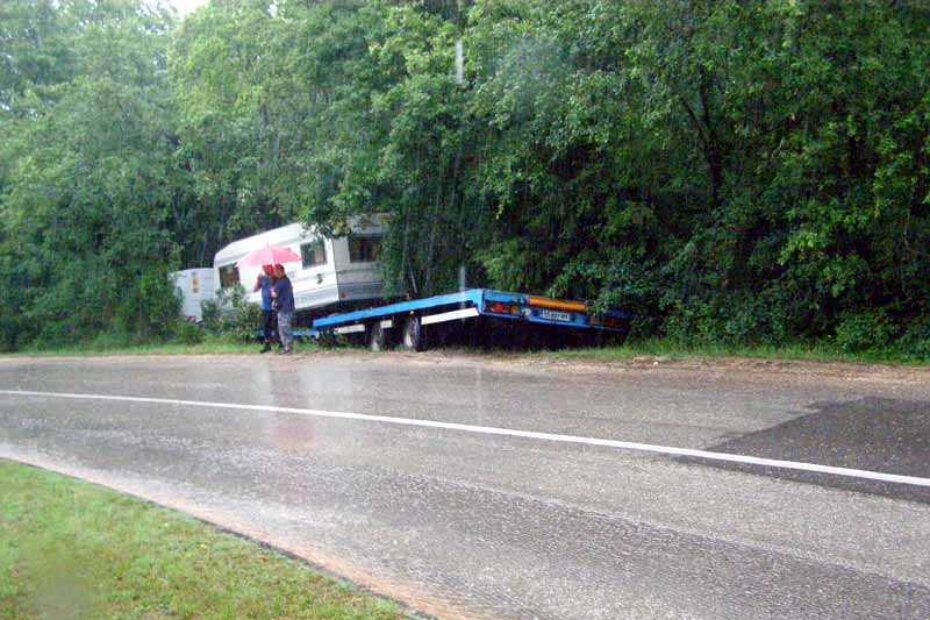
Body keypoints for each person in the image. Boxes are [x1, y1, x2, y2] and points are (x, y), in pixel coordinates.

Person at [272, 263, 295, 354]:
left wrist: (272, 291)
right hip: (287, 307)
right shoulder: (287, 280)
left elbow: (275, 295)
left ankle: (288, 346)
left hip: (284, 308)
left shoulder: (280, 282)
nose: (275, 273)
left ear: (281, 271)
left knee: (284, 327)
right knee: (283, 327)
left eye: (276, 271)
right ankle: (287, 346)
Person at [254, 264, 276, 353]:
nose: (265, 269)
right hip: (265, 306)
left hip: (274, 306)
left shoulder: (275, 277)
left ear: (271, 267)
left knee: (276, 326)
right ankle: (267, 345)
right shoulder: (262, 278)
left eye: (267, 267)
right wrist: (258, 280)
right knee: (266, 327)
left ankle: (280, 343)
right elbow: (255, 289)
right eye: (263, 267)